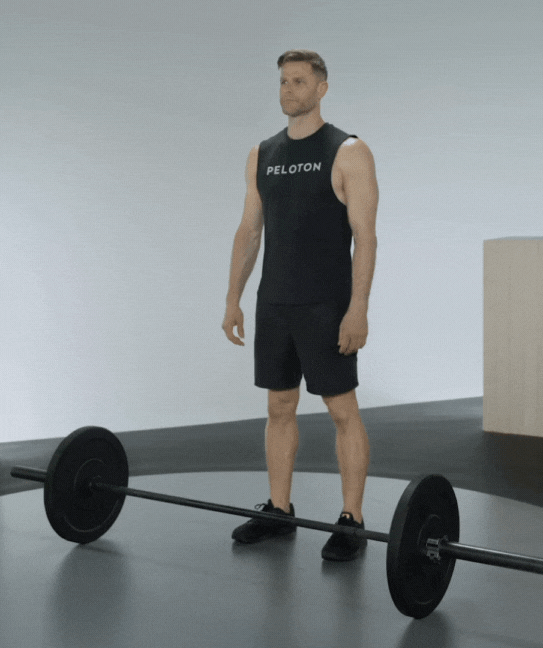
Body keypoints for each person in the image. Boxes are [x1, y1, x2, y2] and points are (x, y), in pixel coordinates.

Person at [222, 49, 378, 562]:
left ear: (322, 87)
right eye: (284, 82)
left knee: (341, 411)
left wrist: (358, 308)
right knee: (278, 406)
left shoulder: (348, 151)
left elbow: (366, 236)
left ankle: (351, 519)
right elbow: (249, 231)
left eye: (299, 81)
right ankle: (279, 510)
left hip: (325, 305)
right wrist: (233, 298)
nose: (289, 90)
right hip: (276, 304)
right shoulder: (262, 153)